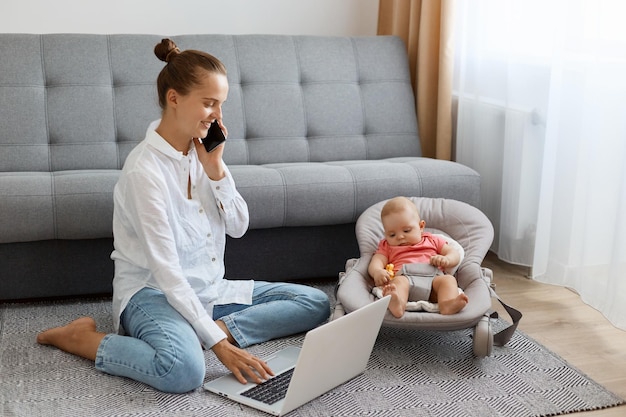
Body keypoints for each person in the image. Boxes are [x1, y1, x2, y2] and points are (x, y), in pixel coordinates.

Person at [37, 39, 330, 394]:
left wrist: (216, 168)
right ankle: (80, 338)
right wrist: (220, 350)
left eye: (220, 105)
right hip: (152, 294)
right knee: (183, 371)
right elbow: (166, 272)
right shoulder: (144, 172)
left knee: (314, 303)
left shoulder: (203, 152)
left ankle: (208, 328)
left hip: (209, 289)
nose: (217, 116)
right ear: (174, 98)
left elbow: (238, 227)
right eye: (209, 103)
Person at [367, 196, 468, 318]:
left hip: (433, 281)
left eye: (407, 231)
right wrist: (378, 271)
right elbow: (376, 261)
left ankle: (447, 304)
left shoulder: (433, 240)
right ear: (385, 234)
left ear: (421, 226)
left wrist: (446, 259)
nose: (400, 237)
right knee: (397, 283)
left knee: (448, 280)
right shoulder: (386, 246)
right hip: (405, 278)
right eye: (392, 234)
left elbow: (454, 253)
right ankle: (398, 303)